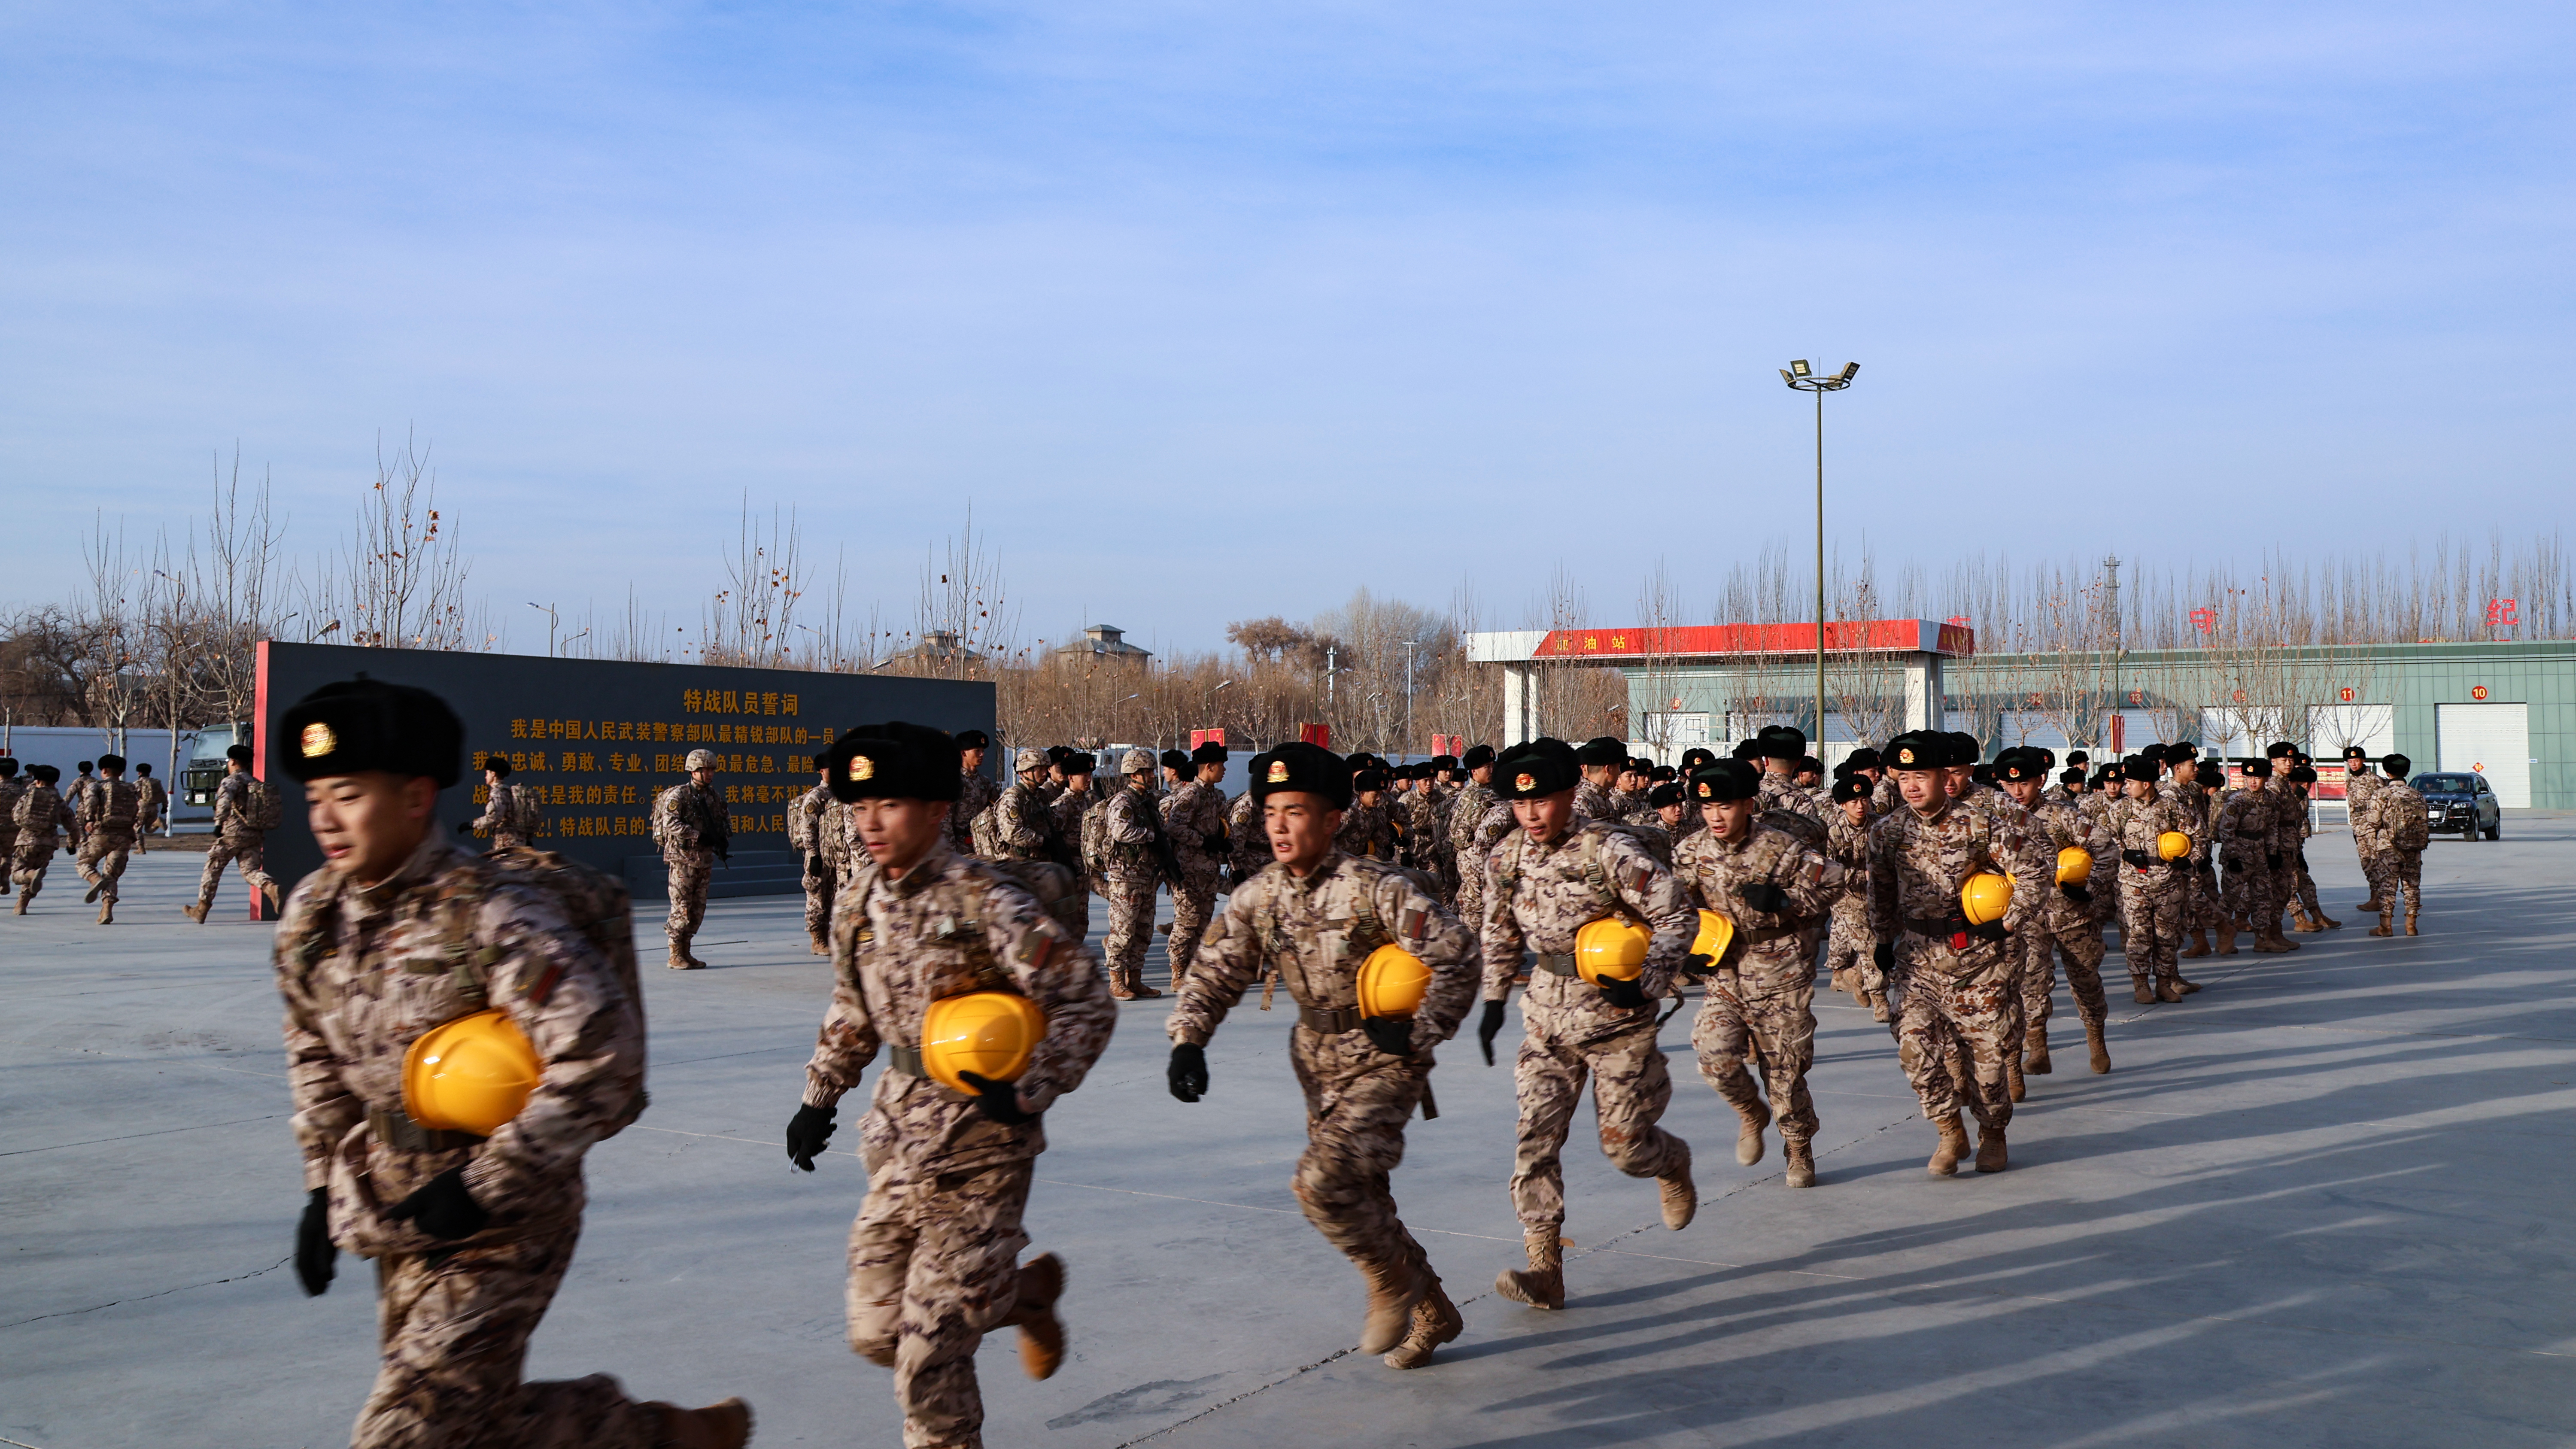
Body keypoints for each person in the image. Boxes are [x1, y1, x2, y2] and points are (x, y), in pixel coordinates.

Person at [270, 677, 745, 1449]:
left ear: (418, 796)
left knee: (407, 1434)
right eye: (317, 794)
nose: (324, 817)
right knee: (469, 1426)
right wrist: (320, 1186)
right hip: (393, 1206)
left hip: (506, 1215)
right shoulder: (315, 913)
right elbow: (312, 1054)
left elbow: (604, 1052)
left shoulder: (487, 910)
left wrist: (488, 1180)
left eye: (349, 794)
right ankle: (660, 1437)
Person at [786, 721, 1114, 1449]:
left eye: (891, 804)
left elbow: (1085, 999)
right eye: (859, 806)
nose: (869, 822)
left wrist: (1030, 1087)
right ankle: (1022, 1295)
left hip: (983, 1147)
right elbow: (852, 1009)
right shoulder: (857, 903)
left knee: (928, 1358)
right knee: (876, 1334)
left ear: (938, 810)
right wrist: (819, 1097)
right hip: (896, 1144)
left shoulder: (984, 901)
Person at [1165, 741, 1477, 1368]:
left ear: (1332, 818)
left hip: (1385, 1056)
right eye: (1271, 810)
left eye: (1297, 810)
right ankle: (1434, 1310)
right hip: (1315, 1058)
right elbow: (1216, 969)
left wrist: (1421, 1031)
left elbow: (1460, 952)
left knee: (1322, 1182)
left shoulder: (1373, 889)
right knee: (1364, 1194)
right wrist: (1188, 1039)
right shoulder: (1260, 895)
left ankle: (1392, 1280)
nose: (1279, 824)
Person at [1473, 738, 1698, 1310]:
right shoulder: (1506, 858)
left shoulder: (1608, 850)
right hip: (1547, 1018)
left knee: (1625, 1149)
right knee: (1535, 1137)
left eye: (1543, 801)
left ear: (1570, 794)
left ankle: (1670, 1161)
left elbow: (1677, 912)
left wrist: (1648, 978)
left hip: (1617, 1015)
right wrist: (1496, 997)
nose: (1531, 814)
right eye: (1521, 805)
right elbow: (1499, 932)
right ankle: (1545, 1266)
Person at [1866, 731, 2051, 1176]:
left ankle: (1993, 1133)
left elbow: (2035, 869)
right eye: (1905, 777)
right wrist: (1880, 943)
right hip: (1918, 961)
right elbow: (1882, 893)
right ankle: (1949, 1129)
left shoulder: (1978, 824)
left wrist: (2009, 921)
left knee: (1987, 1064)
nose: (1912, 787)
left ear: (1942, 777)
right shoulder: (1887, 832)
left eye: (1922, 776)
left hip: (1978, 962)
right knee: (1915, 1049)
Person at [1671, 760, 1844, 1188]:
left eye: (1726, 807)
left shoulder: (1781, 848)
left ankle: (1798, 1148)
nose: (1715, 816)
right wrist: (1685, 950)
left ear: (1748, 804)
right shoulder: (1693, 850)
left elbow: (1836, 881)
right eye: (1707, 807)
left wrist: (1785, 898)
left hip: (1779, 971)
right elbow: (1673, 905)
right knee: (1713, 1055)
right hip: (1725, 972)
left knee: (1784, 1070)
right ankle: (1751, 1111)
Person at [1996, 748, 2114, 1080]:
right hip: (2025, 917)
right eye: (2009, 784)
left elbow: (2106, 848)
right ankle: (2038, 1050)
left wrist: (2090, 887)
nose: (2017, 791)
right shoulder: (1995, 819)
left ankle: (2096, 1038)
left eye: (2025, 784)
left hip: (2071, 914)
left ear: (2041, 780)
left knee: (2086, 979)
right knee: (2029, 984)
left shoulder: (2063, 815)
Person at [2107, 754, 2201, 1002]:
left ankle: (2164, 983)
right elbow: (2103, 840)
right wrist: (2124, 852)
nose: (2126, 786)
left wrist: (2189, 860)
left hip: (2169, 881)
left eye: (2130, 782)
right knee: (2139, 934)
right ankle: (2141, 986)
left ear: (2146, 783)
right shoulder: (2120, 809)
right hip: (2134, 882)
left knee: (2166, 935)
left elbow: (2199, 833)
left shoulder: (2172, 807)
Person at [1159, 741, 1230, 990]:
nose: (1224, 771)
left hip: (1209, 870)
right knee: (1186, 922)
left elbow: (1222, 824)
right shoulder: (1191, 795)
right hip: (1188, 870)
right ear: (1209, 767)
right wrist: (1203, 841)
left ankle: (1194, 969)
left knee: (1203, 923)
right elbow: (1175, 828)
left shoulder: (1214, 795)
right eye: (1221, 766)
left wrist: (1223, 843)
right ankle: (1178, 972)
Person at [1099, 748, 1168, 999]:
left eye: (1151, 771)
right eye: (1148, 772)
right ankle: (1116, 981)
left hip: (1146, 877)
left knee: (1143, 932)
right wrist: (1151, 837)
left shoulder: (1148, 801)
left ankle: (1135, 979)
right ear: (1134, 774)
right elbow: (1121, 832)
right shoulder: (1123, 802)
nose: (1152, 776)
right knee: (1123, 931)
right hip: (1126, 879)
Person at [650, 749, 728, 969]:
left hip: (704, 861)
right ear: (693, 771)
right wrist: (697, 835)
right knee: (681, 908)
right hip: (683, 860)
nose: (710, 774)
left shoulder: (713, 797)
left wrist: (722, 839)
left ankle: (686, 951)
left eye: (712, 770)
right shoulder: (680, 796)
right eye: (705, 770)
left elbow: (724, 819)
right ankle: (675, 953)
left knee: (697, 909)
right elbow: (670, 824)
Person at [187, 744, 282, 922]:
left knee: (213, 867)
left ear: (232, 761)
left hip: (233, 834)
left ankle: (202, 909)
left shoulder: (231, 781)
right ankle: (269, 886)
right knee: (250, 871)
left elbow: (224, 801)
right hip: (253, 833)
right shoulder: (253, 782)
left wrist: (218, 824)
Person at [1823, 775, 1885, 1020]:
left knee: (1890, 945)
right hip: (1849, 899)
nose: (1860, 806)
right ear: (1842, 805)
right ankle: (1881, 1001)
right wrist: (1862, 875)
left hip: (1881, 897)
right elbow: (1829, 870)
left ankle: (1856, 975)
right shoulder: (1834, 832)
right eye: (1853, 802)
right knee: (1870, 947)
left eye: (1864, 800)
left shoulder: (1880, 827)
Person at [73, 752, 142, 924]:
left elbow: (90, 802)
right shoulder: (132, 788)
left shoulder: (96, 786)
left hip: (101, 833)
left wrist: (89, 819)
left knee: (83, 863)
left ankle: (96, 880)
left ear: (104, 770)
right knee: (112, 875)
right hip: (124, 836)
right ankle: (106, 911)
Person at [2365, 754, 2429, 936]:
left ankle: (2385, 927)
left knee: (2388, 886)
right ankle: (2411, 926)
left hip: (2389, 847)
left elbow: (2373, 821)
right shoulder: (2417, 795)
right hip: (2414, 848)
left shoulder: (2382, 794)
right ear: (2407, 772)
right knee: (2412, 886)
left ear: (2387, 772)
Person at [791, 763, 845, 955]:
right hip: (819, 857)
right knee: (816, 897)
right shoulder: (817, 795)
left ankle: (829, 935)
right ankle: (817, 939)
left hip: (836, 857)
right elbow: (808, 826)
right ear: (821, 771)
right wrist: (813, 854)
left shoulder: (840, 795)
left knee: (833, 898)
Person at [12, 764, 75, 914]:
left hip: (26, 841)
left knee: (17, 874)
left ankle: (31, 875)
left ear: (37, 780)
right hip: (49, 843)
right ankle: (22, 905)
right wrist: (72, 844)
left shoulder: (27, 797)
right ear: (56, 782)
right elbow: (72, 825)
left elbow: (16, 817)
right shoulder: (60, 802)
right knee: (37, 872)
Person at [2284, 766, 2339, 929]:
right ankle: (2299, 919)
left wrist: (2299, 854)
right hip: (2281, 849)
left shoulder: (2299, 797)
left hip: (2294, 847)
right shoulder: (2286, 798)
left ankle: (2317, 916)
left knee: (2306, 882)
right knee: (2290, 884)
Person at [992, 748, 1064, 864]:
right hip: (1017, 865)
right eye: (1040, 769)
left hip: (1038, 862)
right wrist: (1041, 841)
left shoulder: (1041, 795)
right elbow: (1011, 832)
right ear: (1025, 772)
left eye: (1046, 769)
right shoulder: (1013, 797)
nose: (1045, 774)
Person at [469, 753, 541, 853]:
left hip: (506, 845)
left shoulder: (498, 792)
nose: (486, 777)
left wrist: (472, 824)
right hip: (520, 843)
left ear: (493, 774)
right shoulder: (509, 792)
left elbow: (493, 818)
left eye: (487, 773)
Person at [2343, 746, 2385, 915]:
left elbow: (2382, 803)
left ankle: (2380, 898)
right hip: (2359, 827)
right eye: (2350, 761)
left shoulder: (2374, 780)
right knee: (2366, 863)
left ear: (2363, 761)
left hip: (2372, 827)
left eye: (2356, 760)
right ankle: (2374, 896)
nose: (2353, 764)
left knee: (2376, 862)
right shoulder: (2350, 781)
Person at [949, 730, 999, 857]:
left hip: (984, 847)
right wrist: (950, 853)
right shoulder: (954, 781)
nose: (982, 755)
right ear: (963, 753)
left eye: (983, 751)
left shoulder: (985, 782)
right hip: (960, 848)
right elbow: (945, 820)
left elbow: (998, 807)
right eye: (977, 751)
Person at [0, 757, 24, 889]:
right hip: (13, 830)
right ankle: (5, 876)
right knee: (8, 856)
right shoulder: (22, 791)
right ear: (15, 773)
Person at [133, 761, 167, 850]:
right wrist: (165, 806)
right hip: (154, 807)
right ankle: (157, 823)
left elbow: (133, 795)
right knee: (148, 829)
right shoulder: (156, 783)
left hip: (142, 807)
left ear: (139, 773)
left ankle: (141, 848)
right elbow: (163, 794)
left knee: (137, 829)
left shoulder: (137, 783)